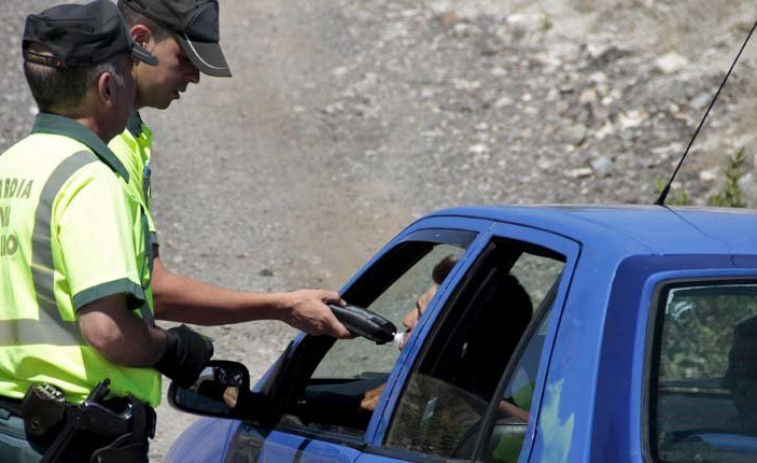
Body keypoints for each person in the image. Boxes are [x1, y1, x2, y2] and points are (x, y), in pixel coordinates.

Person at [0, 2, 213, 461]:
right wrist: (172, 349)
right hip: (77, 437)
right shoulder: (92, 178)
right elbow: (108, 330)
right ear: (107, 84)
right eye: (129, 69)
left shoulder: (9, 167)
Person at [108, 0, 351, 338]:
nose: (194, 76)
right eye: (186, 59)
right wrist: (281, 306)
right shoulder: (109, 143)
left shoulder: (119, 135)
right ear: (141, 40)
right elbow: (155, 290)